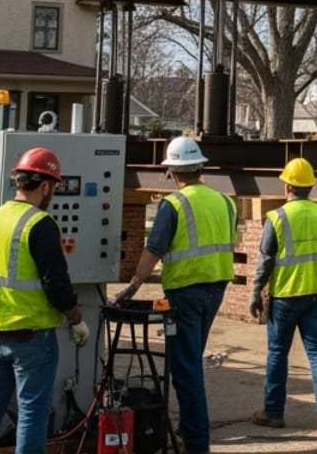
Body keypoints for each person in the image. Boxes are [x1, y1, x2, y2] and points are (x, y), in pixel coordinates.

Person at [112, 137, 236, 454]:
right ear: (200, 167)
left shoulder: (175, 204)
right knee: (191, 360)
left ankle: (196, 441)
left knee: (185, 369)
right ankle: (188, 429)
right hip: (216, 289)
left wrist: (132, 287)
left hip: (185, 293)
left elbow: (154, 250)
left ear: (171, 172)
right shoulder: (225, 201)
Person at [0, 147, 89, 454]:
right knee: (32, 412)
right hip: (31, 333)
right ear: (46, 185)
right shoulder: (40, 224)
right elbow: (56, 283)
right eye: (55, 187)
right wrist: (75, 318)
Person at [248, 157, 317, 437]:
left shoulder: (277, 217)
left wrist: (255, 293)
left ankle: (273, 412)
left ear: (287, 186)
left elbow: (265, 261)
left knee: (278, 353)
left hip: (286, 296)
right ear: (310, 186)